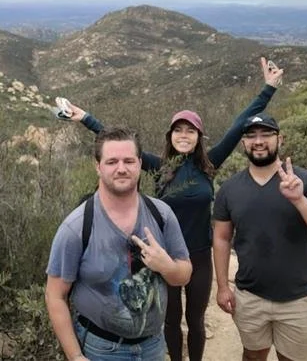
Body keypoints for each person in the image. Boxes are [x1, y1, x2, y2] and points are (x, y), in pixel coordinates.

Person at [61, 58, 284, 361]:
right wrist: (86, 117)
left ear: (198, 137)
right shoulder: (159, 167)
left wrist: (268, 88)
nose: (183, 135)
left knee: (195, 321)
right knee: (169, 320)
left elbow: (239, 123)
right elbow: (122, 148)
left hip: (200, 255)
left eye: (190, 130)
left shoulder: (209, 165)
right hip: (164, 256)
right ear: (170, 136)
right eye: (178, 130)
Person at [45, 126, 192, 361]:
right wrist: (75, 356)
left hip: (153, 345)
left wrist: (167, 267)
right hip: (100, 350)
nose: (121, 169)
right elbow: (55, 295)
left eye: (129, 161)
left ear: (140, 164)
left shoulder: (161, 215)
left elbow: (184, 274)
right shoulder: (77, 227)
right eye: (112, 161)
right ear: (98, 166)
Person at [212, 113, 307, 361]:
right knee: (252, 356)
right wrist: (223, 286)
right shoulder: (229, 189)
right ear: (243, 144)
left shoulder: (304, 180)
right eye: (251, 136)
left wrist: (299, 200)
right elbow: (222, 238)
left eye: (266, 134)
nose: (258, 141)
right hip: (249, 297)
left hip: (300, 299)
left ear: (280, 139)